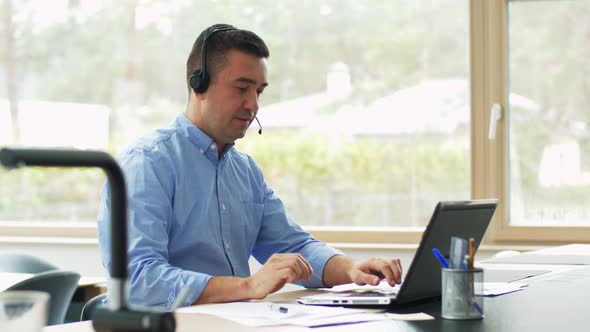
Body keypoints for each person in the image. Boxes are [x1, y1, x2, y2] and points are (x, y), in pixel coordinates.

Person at [98, 23, 402, 309]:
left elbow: (294, 247)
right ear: (198, 84)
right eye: (242, 88)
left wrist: (351, 271)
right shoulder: (146, 163)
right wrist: (248, 286)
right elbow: (137, 280)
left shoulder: (244, 171)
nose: (254, 104)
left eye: (259, 91)